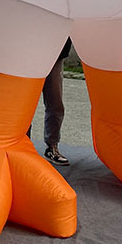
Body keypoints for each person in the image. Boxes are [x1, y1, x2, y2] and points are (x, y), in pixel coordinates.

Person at [41, 37, 72, 166]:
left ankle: (52, 146)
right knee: (24, 104)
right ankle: (23, 144)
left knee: (55, 103)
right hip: (29, 52)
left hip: (55, 53)